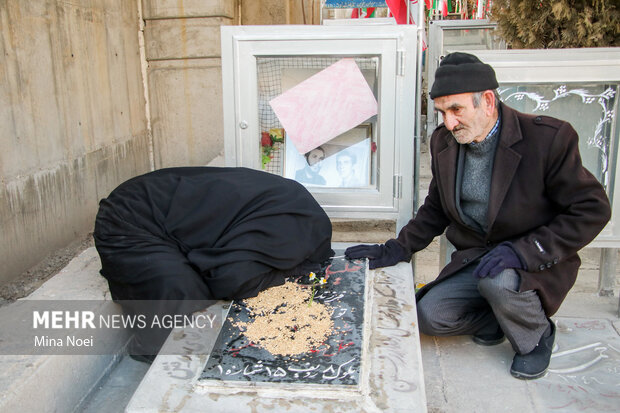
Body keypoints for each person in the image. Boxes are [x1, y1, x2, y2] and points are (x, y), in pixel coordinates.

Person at [345, 52, 611, 380]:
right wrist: (398, 248)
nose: (449, 122)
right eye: (442, 112)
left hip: (529, 261)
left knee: (498, 282)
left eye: (456, 110)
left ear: (487, 101)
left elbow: (593, 209)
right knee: (428, 317)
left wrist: (524, 251)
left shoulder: (546, 140)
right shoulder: (445, 141)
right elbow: (437, 208)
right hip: (478, 259)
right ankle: (497, 319)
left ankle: (537, 336)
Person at [94, 166, 333, 361]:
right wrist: (286, 273)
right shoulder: (282, 223)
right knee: (184, 294)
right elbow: (233, 279)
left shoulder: (294, 207)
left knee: (202, 287)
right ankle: (148, 352)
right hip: (128, 221)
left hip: (163, 211)